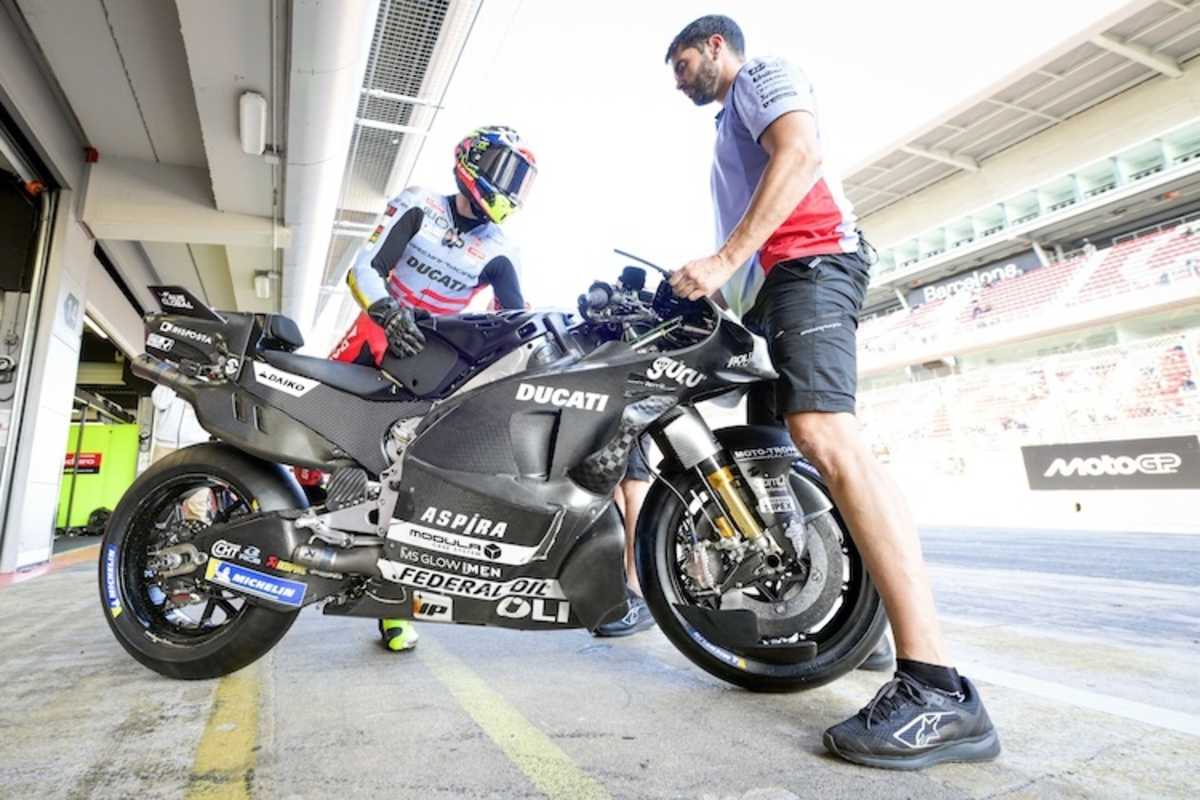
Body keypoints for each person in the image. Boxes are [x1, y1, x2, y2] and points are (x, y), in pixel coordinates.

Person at [664, 16, 999, 769]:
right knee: (778, 463)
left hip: (812, 263)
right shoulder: (727, 122)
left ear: (716, 46)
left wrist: (721, 260)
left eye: (682, 62)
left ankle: (937, 689)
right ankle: (864, 631)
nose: (678, 79)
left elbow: (803, 150)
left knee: (823, 435)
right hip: (772, 290)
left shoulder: (760, 76)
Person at [332, 125, 537, 653]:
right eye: (506, 172)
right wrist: (385, 310)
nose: (511, 188)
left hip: (428, 365)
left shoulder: (499, 247)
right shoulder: (420, 204)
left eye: (521, 180)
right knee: (311, 443)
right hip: (373, 334)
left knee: (405, 482)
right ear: (473, 160)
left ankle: (393, 604)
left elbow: (515, 316)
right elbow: (365, 268)